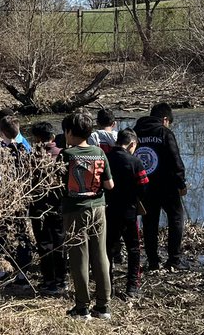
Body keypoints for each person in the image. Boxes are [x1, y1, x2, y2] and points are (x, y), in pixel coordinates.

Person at [59, 110, 115, 319]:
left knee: (79, 257)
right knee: (100, 255)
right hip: (98, 207)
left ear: (70, 132)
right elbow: (109, 184)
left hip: (75, 209)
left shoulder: (67, 155)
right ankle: (103, 306)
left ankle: (82, 307)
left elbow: (56, 184)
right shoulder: (99, 152)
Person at [133, 102, 188, 271]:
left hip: (144, 186)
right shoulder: (165, 133)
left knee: (149, 223)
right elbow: (175, 160)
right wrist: (181, 183)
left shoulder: (134, 133)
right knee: (176, 218)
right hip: (167, 186)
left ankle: (153, 261)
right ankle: (174, 260)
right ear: (165, 119)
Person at [0, 113, 32, 283]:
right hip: (21, 195)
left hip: (3, 195)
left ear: (1, 131)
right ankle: (22, 272)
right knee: (22, 233)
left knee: (0, 233)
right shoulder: (24, 146)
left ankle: (2, 271)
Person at [104, 128, 149, 297]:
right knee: (134, 249)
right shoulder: (135, 162)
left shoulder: (105, 158)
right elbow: (144, 186)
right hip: (129, 211)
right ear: (132, 144)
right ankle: (132, 286)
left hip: (108, 210)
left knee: (108, 249)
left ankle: (108, 285)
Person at [27, 121, 67, 296]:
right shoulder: (61, 155)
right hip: (58, 205)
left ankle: (48, 280)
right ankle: (61, 280)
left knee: (44, 243)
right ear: (52, 137)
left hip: (38, 206)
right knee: (60, 241)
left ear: (36, 139)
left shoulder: (31, 157)